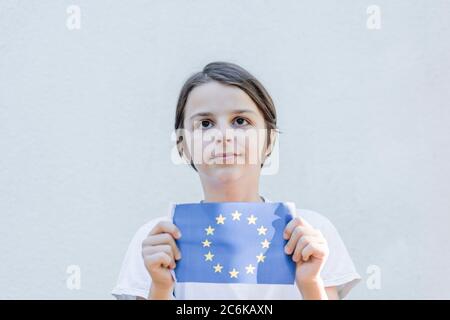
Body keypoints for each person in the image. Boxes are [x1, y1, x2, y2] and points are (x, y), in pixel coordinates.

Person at [112, 62, 360, 300]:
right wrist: (161, 289)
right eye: (205, 124)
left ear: (269, 141)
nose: (223, 136)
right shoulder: (155, 241)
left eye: (241, 121)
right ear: (182, 146)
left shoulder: (314, 232)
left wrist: (310, 285)